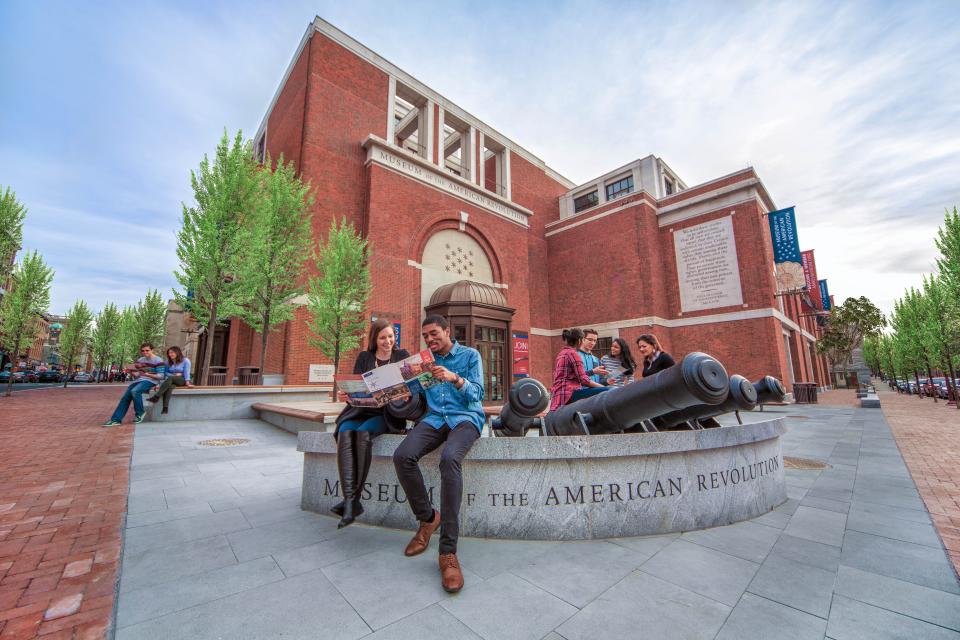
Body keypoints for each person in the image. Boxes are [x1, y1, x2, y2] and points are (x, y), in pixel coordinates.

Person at [392, 315, 484, 593]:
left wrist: (455, 378)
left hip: (465, 418)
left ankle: (447, 552)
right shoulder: (423, 362)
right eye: (426, 336)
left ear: (447, 331)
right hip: (434, 419)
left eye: (434, 334)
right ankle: (428, 518)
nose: (430, 340)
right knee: (402, 456)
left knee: (449, 460)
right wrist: (390, 392)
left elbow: (478, 393)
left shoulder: (470, 355)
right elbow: (409, 393)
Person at [332, 319, 410, 528]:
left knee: (363, 433)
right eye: (383, 337)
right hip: (360, 410)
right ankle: (351, 501)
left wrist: (404, 394)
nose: (388, 341)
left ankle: (351, 503)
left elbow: (412, 386)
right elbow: (357, 386)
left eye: (391, 336)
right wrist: (347, 393)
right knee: (346, 430)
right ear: (374, 339)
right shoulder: (365, 357)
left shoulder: (402, 356)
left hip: (387, 414)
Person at [102, 343, 165, 426]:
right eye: (143, 351)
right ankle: (116, 420)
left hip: (151, 381)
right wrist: (131, 372)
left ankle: (140, 413)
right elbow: (137, 375)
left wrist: (148, 374)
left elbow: (161, 376)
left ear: (152, 350)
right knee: (125, 398)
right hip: (139, 381)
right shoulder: (141, 360)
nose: (145, 352)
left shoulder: (158, 360)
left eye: (147, 350)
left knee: (135, 391)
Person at [550, 328, 606, 410]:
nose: (593, 343)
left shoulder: (562, 353)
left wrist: (605, 382)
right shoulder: (574, 354)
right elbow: (583, 379)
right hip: (569, 393)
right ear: (580, 340)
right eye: (590, 339)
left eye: (595, 340)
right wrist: (602, 387)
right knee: (609, 390)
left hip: (560, 394)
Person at [146, 346, 192, 415]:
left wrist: (187, 382)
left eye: (172, 352)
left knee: (170, 378)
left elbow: (187, 372)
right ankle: (165, 408)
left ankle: (156, 397)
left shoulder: (185, 360)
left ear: (177, 352)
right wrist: (173, 375)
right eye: (169, 353)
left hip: (183, 380)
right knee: (170, 387)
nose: (170, 354)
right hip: (172, 380)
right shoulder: (167, 362)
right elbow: (165, 373)